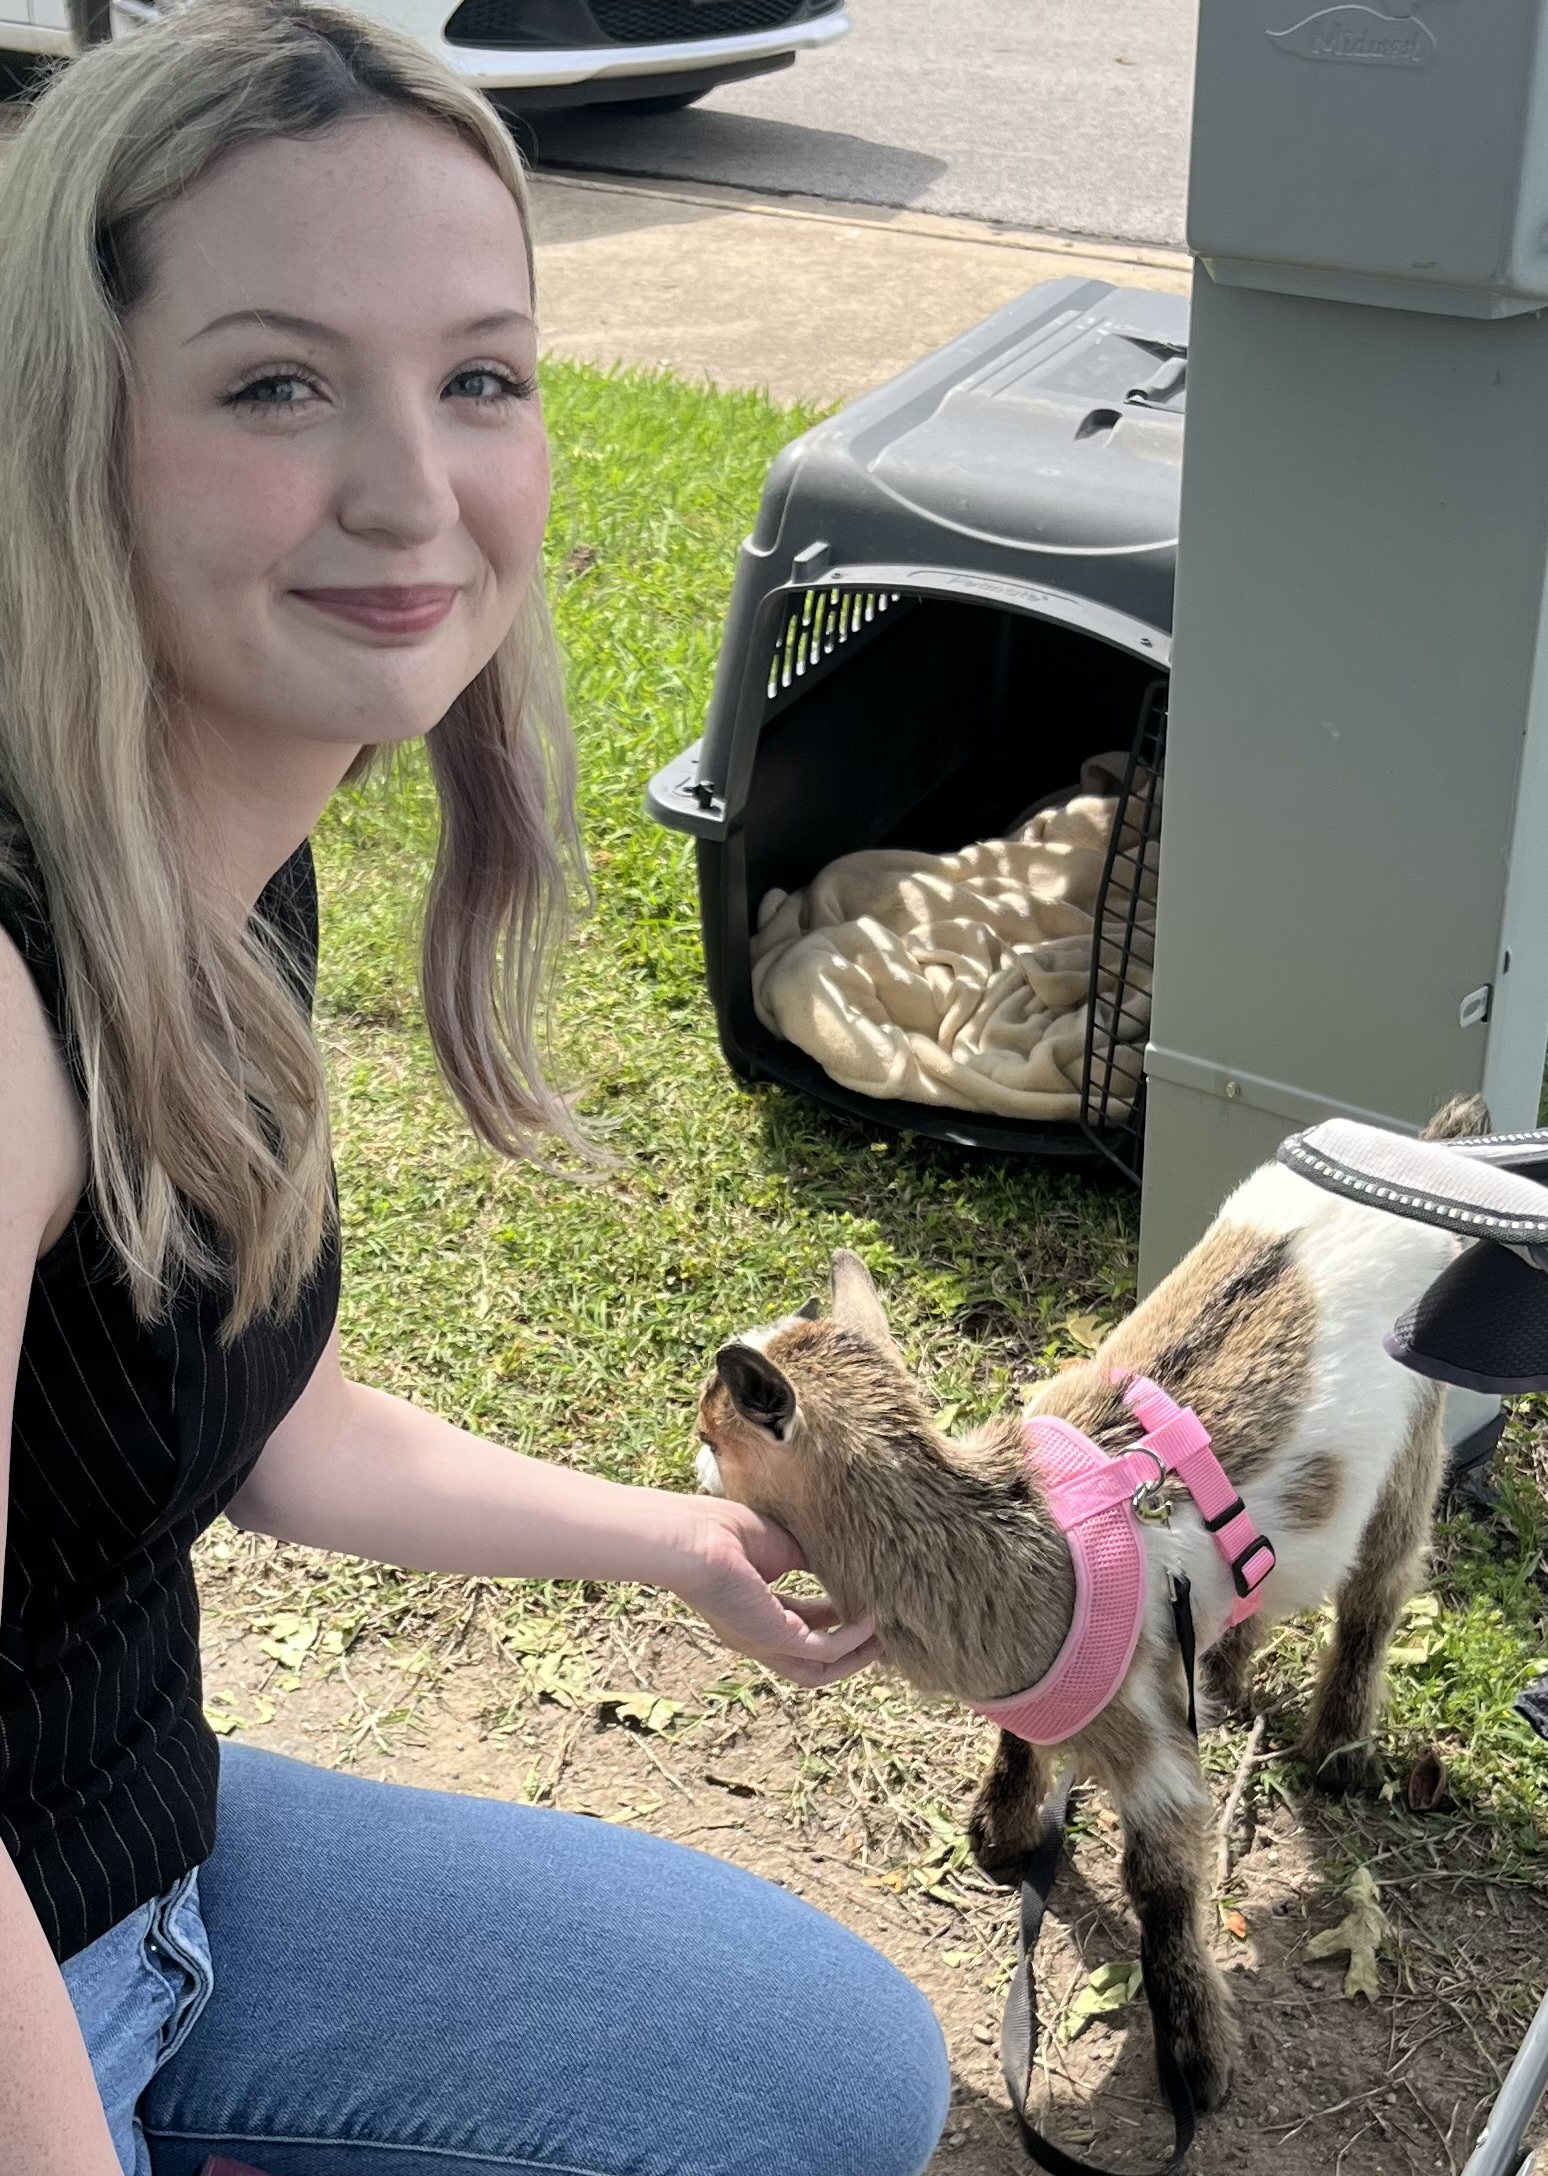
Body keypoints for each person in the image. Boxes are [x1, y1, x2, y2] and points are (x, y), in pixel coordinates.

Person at [0, 7, 952, 2171]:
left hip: (156, 1864)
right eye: (274, 383)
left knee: (820, 2073)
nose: (411, 490)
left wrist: (679, 1543)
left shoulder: (233, 837)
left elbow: (274, 1416)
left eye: (479, 377)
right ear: (72, 427)